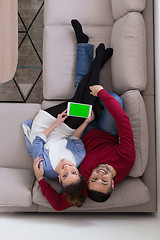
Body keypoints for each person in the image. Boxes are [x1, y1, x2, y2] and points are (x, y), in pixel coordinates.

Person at [23, 19, 113, 209]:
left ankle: (97, 61)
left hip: (46, 125)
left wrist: (56, 123)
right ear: (79, 174)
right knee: (84, 104)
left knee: (84, 100)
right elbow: (73, 138)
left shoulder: (45, 168)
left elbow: (38, 141)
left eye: (64, 175)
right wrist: (86, 122)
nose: (67, 168)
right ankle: (97, 61)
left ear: (60, 180)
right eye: (72, 172)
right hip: (65, 129)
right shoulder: (78, 157)